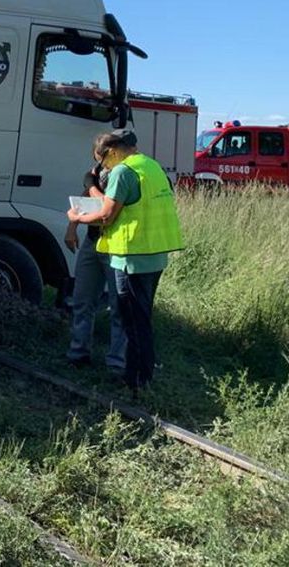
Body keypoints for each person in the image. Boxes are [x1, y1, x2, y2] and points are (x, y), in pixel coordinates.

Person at [66, 129, 183, 392]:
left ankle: (130, 377)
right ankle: (139, 377)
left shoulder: (122, 171)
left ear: (114, 150)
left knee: (128, 315)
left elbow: (107, 215)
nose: (101, 165)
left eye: (103, 158)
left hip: (128, 253)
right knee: (138, 318)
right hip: (150, 254)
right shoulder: (151, 167)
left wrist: (76, 218)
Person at [64, 160, 127, 373]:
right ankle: (78, 354)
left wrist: (92, 187)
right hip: (93, 241)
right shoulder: (97, 173)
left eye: (103, 154)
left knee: (119, 306)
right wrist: (72, 227)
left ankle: (116, 365)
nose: (99, 160)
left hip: (117, 246)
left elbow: (106, 211)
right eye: (97, 155)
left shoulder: (126, 175)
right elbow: (83, 199)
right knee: (82, 299)